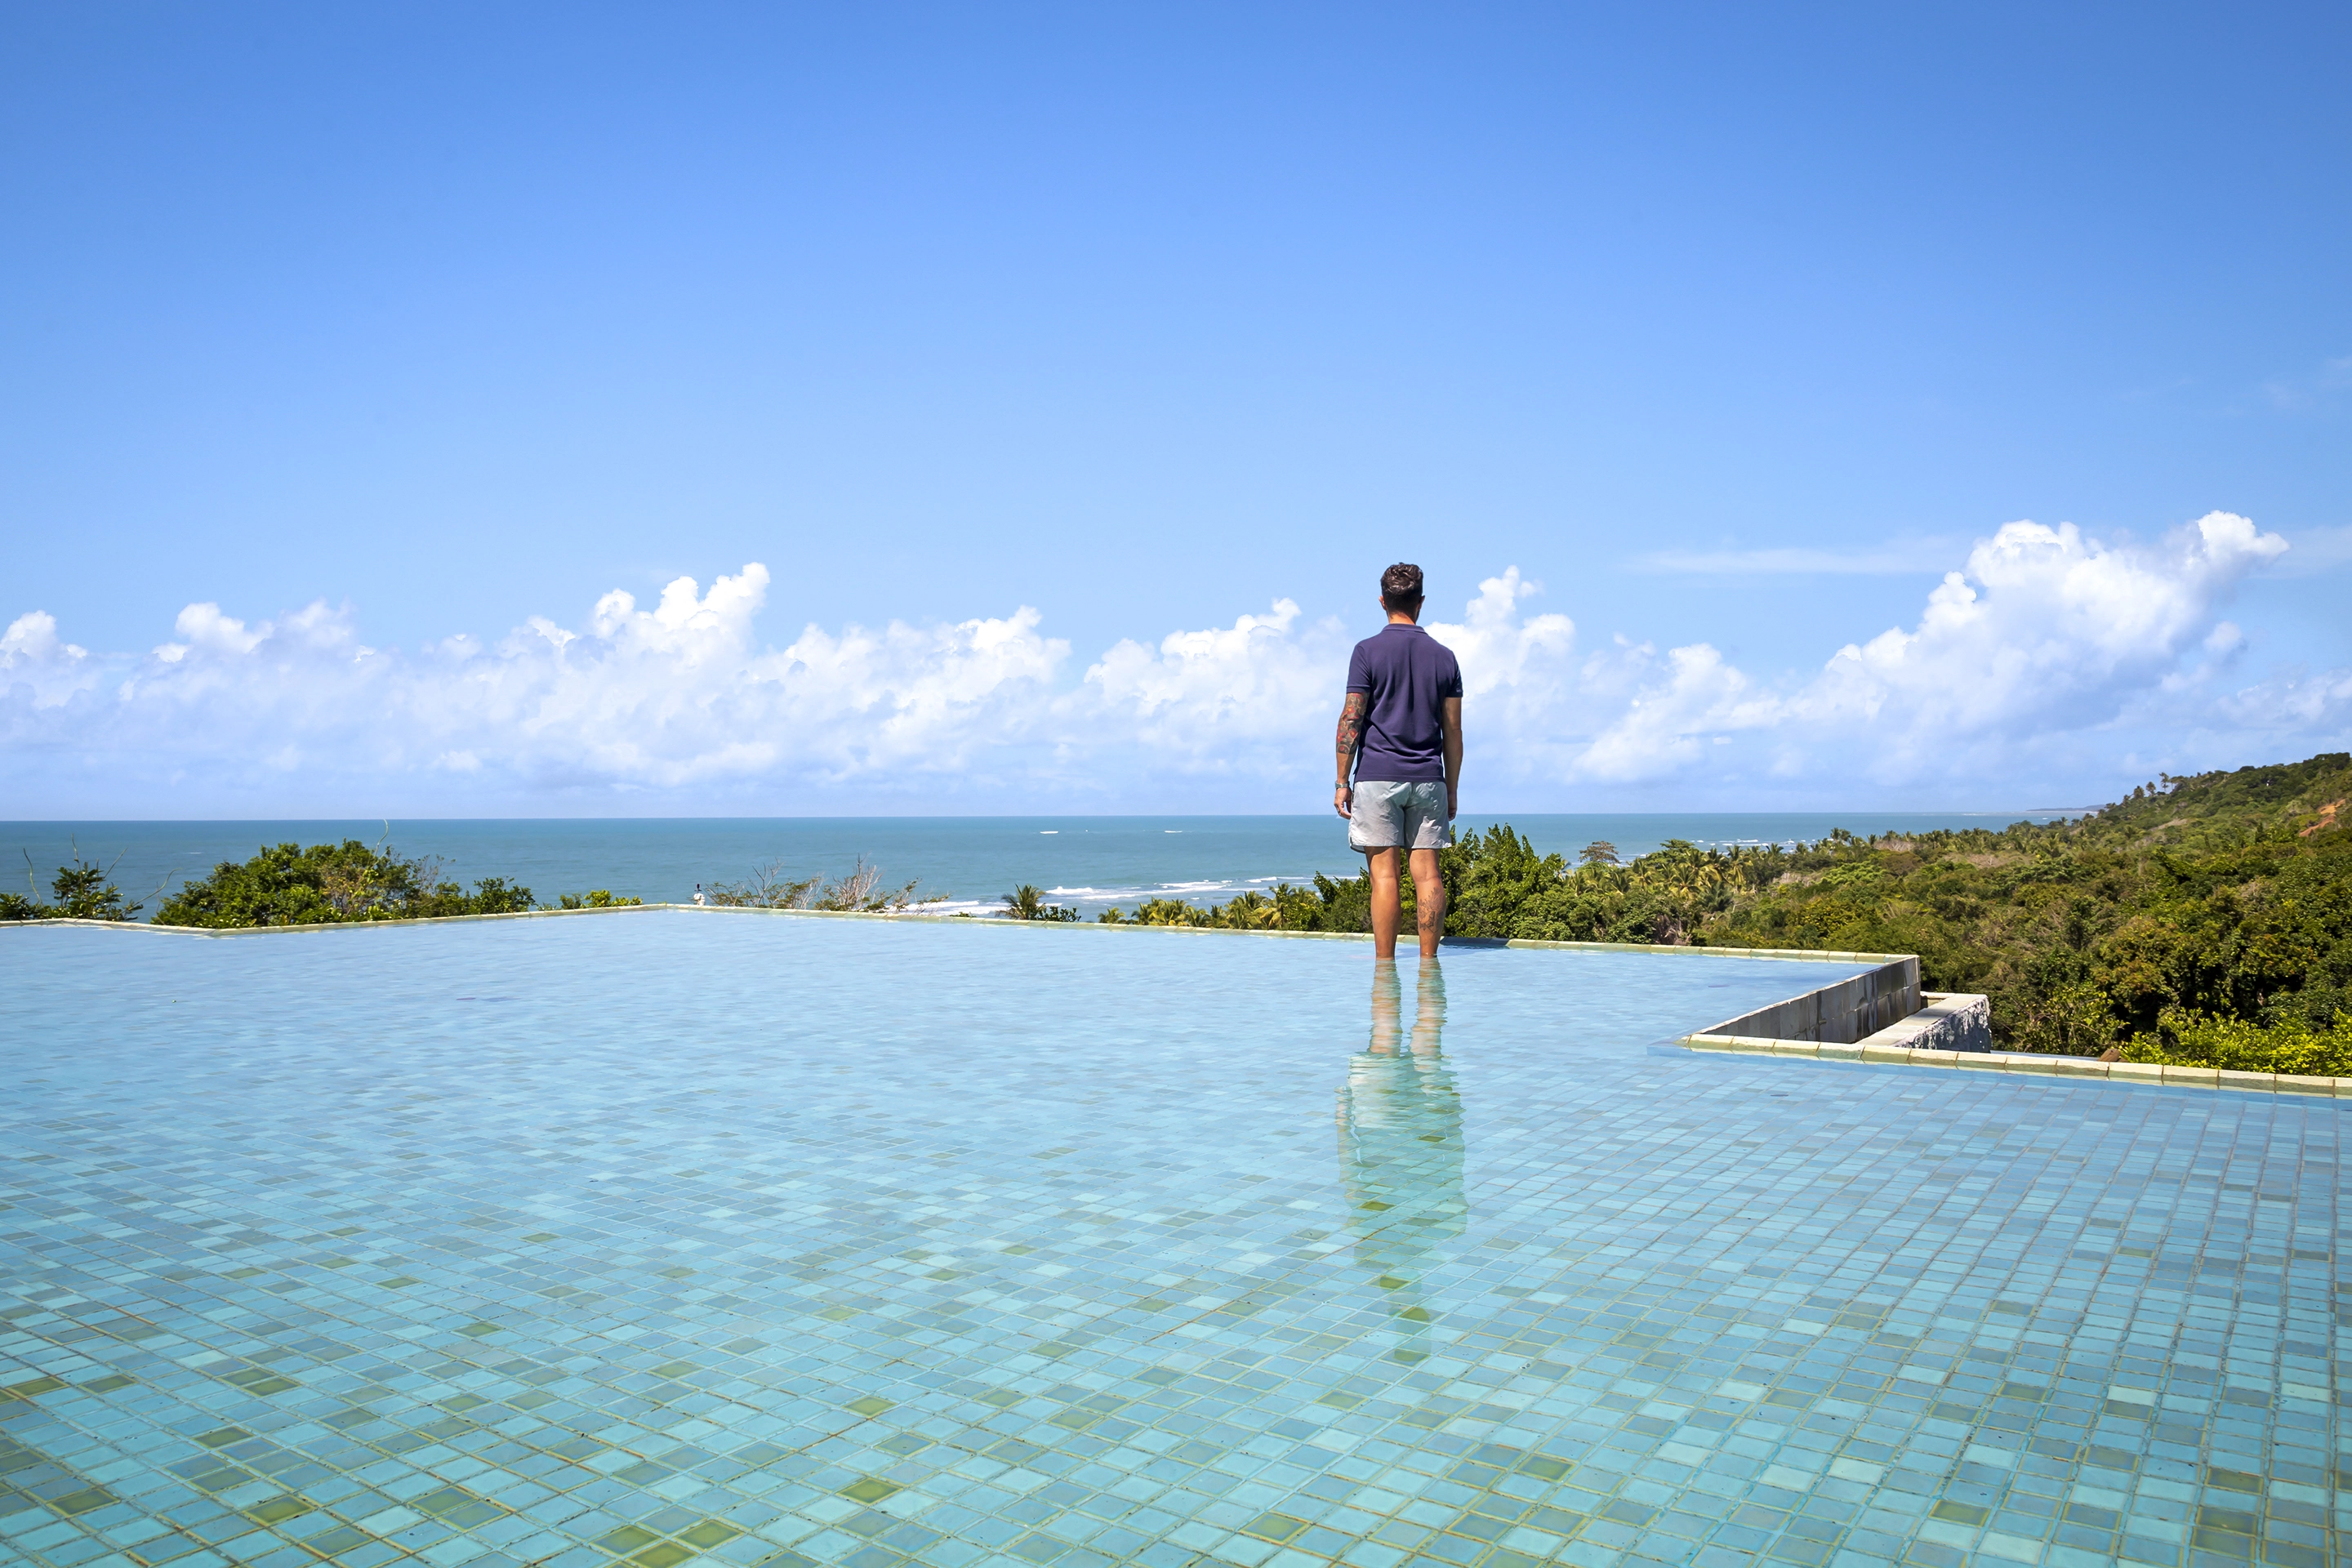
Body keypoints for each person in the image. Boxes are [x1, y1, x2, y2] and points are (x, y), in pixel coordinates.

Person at [1334, 563, 1463, 959]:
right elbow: (1453, 731)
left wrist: (1342, 781)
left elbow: (1352, 717)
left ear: (1382, 601)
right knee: (1428, 875)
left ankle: (1384, 967)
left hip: (1377, 778)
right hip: (1429, 778)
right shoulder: (1445, 657)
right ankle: (1428, 963)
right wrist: (1451, 788)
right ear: (1421, 602)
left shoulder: (1366, 651)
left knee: (1384, 876)